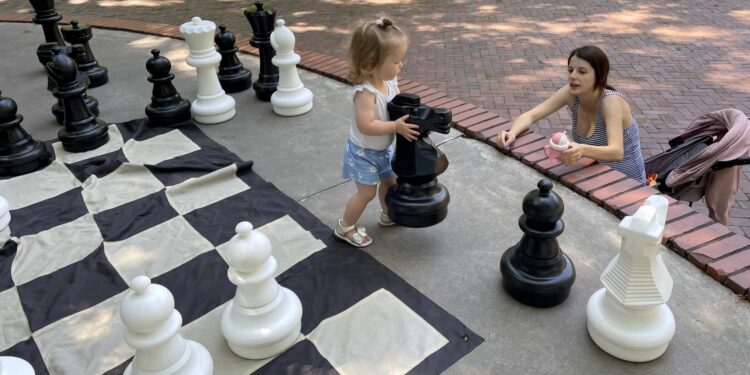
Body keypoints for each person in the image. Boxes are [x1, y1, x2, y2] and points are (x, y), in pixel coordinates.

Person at [498, 45, 647, 185]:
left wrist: (582, 150)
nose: (573, 76)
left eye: (582, 72)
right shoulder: (570, 93)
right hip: (594, 176)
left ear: (600, 75)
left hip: (628, 184)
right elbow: (530, 116)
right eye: (570, 70)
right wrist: (512, 133)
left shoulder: (611, 102)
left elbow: (616, 152)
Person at [335, 16, 420, 248]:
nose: (400, 65)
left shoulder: (390, 82)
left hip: (382, 150)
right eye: (396, 61)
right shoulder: (366, 93)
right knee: (366, 193)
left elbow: (395, 105)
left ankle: (387, 213)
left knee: (390, 182)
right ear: (371, 64)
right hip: (363, 153)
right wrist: (395, 127)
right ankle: (346, 226)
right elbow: (367, 125)